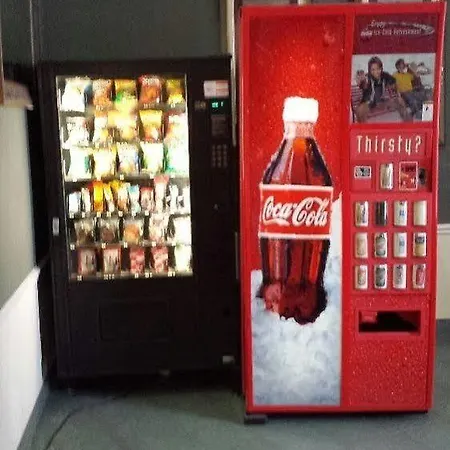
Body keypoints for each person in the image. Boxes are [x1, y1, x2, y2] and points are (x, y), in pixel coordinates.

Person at [356, 56, 410, 123]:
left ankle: (408, 124)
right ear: (369, 70)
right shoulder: (367, 78)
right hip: (369, 104)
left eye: (378, 69)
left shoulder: (385, 75)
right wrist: (361, 81)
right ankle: (363, 128)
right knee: (360, 110)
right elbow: (363, 85)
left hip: (382, 102)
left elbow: (394, 83)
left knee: (399, 101)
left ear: (381, 68)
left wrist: (396, 92)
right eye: (373, 70)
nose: (376, 72)